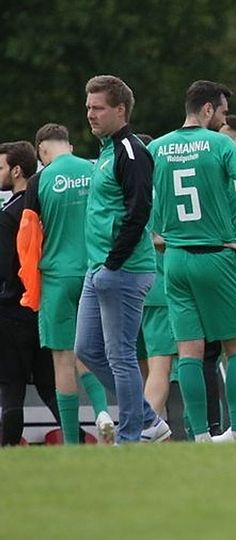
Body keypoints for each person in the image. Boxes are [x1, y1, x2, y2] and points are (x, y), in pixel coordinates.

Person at [149, 80, 236, 442]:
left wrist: (156, 234)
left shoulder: (157, 147)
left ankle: (200, 436)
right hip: (215, 256)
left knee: (189, 351)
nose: (225, 120)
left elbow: (133, 198)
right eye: (223, 112)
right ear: (207, 109)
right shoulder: (220, 144)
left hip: (175, 260)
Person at [75, 75, 169, 444]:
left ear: (120, 110)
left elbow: (139, 211)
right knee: (86, 349)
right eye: (88, 107)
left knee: (121, 355)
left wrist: (113, 263)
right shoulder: (106, 151)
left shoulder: (131, 151)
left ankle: (131, 436)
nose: (90, 114)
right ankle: (148, 419)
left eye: (98, 108)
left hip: (124, 269)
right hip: (99, 267)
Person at [16, 124, 115, 444]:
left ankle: (72, 442)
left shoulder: (39, 180)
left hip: (57, 277)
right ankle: (103, 411)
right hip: (94, 272)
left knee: (63, 359)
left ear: (42, 150)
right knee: (90, 351)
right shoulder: (93, 170)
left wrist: (30, 286)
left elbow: (27, 239)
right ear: (68, 145)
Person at [0, 141, 62, 446]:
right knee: (49, 383)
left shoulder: (8, 214)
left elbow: (5, 267)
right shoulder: (45, 207)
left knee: (11, 385)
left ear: (16, 171)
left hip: (12, 307)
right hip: (43, 304)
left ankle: (9, 447)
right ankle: (76, 437)